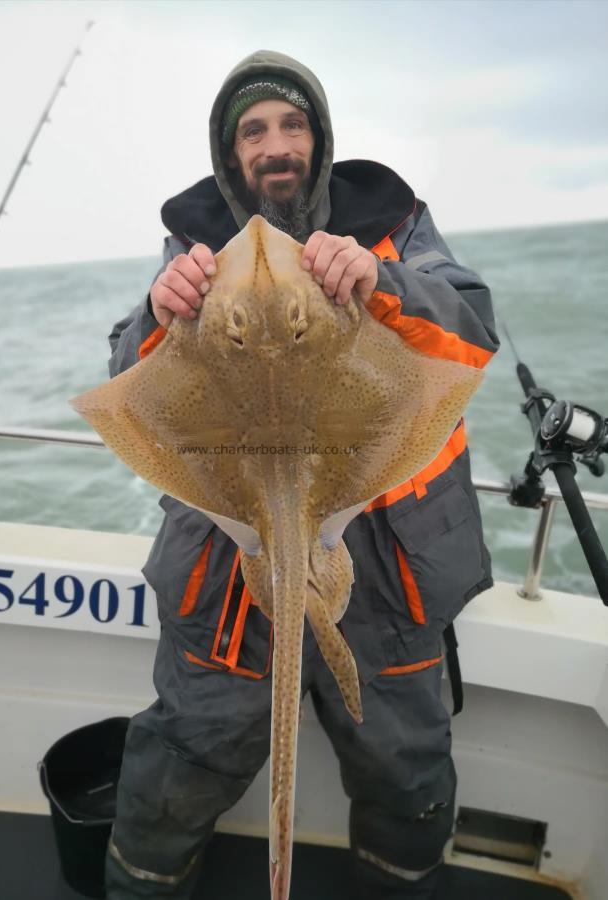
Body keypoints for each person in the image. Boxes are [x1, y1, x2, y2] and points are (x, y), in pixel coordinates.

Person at [105, 50, 499, 900]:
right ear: (229, 152)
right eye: (253, 131)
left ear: (318, 140)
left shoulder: (390, 224)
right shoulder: (191, 244)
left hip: (392, 573)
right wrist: (158, 309)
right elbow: (128, 381)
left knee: (405, 771)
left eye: (291, 124)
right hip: (228, 566)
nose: (273, 145)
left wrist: (380, 281)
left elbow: (469, 328)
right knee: (182, 758)